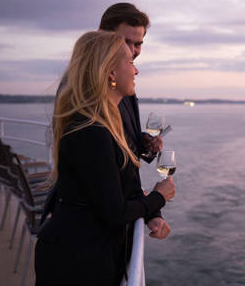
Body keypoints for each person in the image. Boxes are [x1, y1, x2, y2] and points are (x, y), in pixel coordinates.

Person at [35, 31, 175, 286]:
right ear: (111, 72)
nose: (136, 71)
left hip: (85, 253)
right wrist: (159, 196)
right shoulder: (92, 131)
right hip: (75, 263)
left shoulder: (104, 125)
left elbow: (121, 187)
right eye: (130, 63)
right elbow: (114, 212)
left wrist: (152, 211)